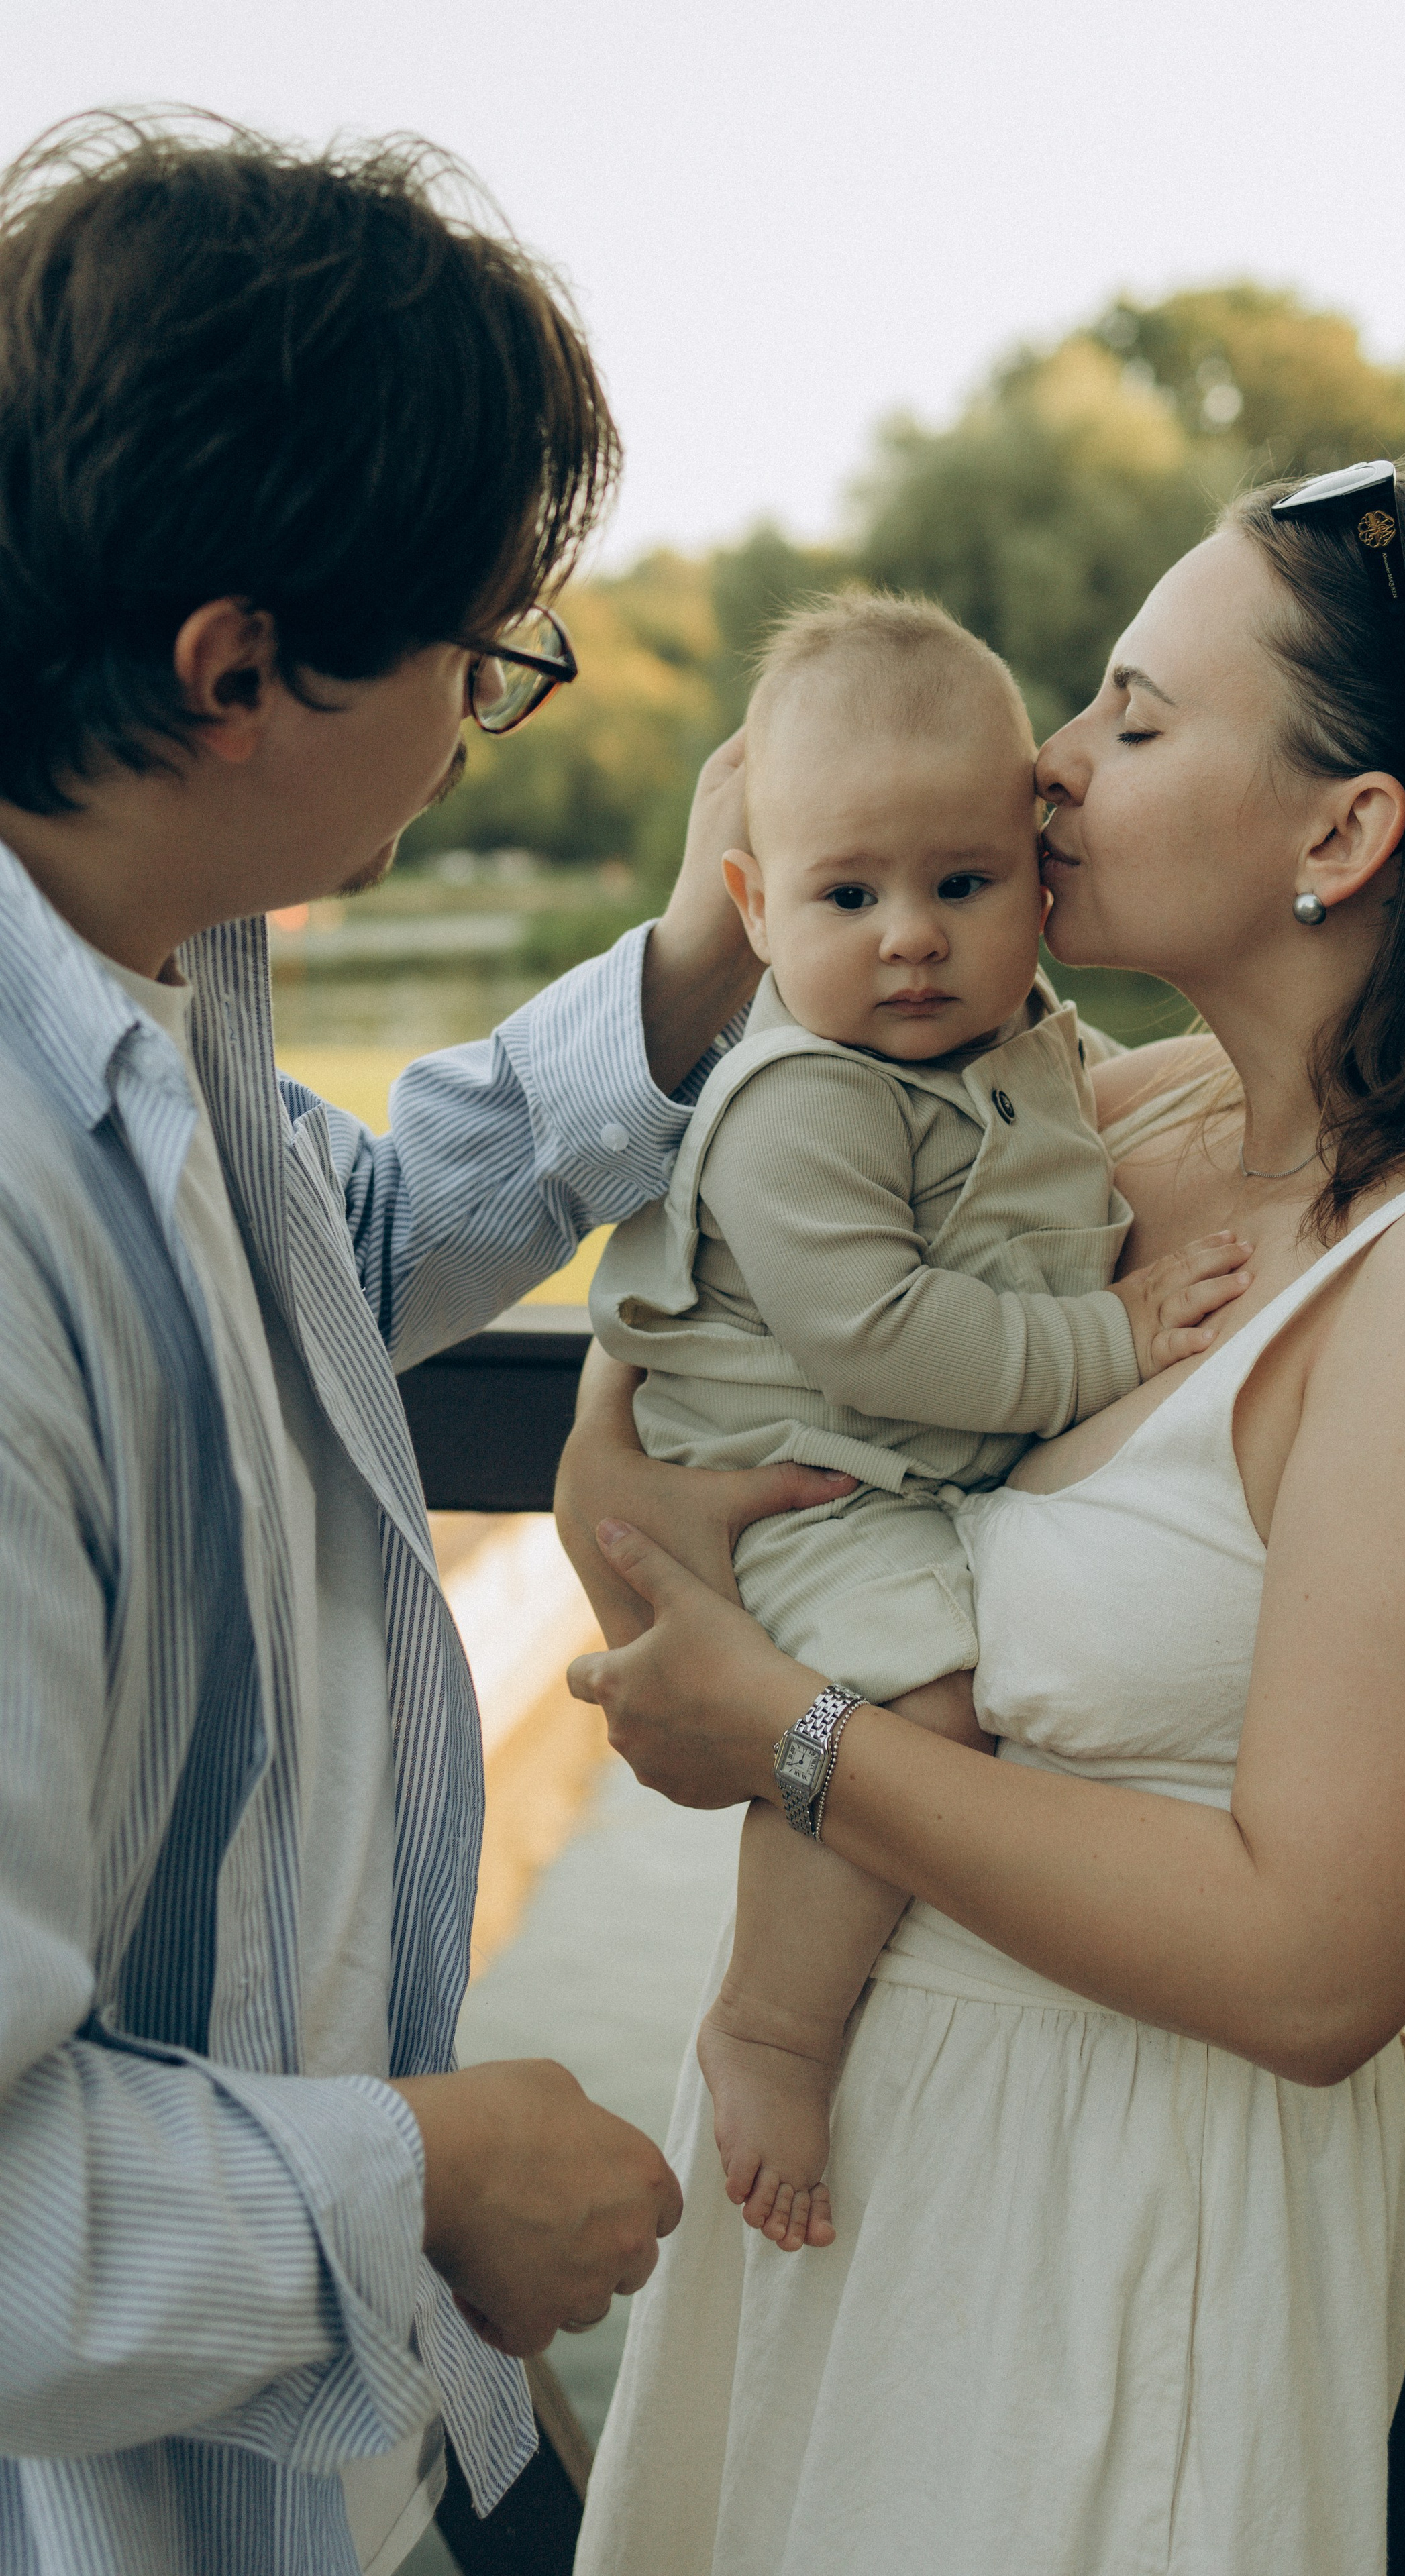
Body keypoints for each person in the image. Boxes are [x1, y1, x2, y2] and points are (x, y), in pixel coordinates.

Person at [558, 464, 1405, 2575]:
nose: (1051, 764)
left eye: (1135, 718)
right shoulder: (1116, 1117)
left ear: (1342, 835)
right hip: (843, 2184)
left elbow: (1312, 1965)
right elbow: (734, 1307)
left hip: (1114, 2249)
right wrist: (615, 1491)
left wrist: (794, 1739)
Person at [0, 113, 829, 2576]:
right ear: (238, 669)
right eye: (482, 653)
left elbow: (318, 1266)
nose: (487, 711)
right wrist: (420, 2180)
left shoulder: (147, 999)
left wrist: (690, 978)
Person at [588, 593, 1248, 2251]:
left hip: (898, 1473)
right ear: (753, 904)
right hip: (803, 1484)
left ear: (1033, 878)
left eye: (961, 885)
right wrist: (1110, 1338)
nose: (909, 938)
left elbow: (1049, 1154)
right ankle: (771, 2022)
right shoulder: (801, 1097)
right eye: (848, 895)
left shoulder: (1026, 1043)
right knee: (918, 1707)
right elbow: (878, 1338)